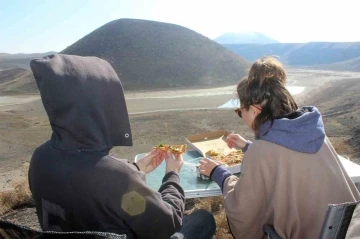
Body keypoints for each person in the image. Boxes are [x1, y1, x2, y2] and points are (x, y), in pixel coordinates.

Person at [28, 54, 215, 239]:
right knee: (203, 219)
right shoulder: (116, 178)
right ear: (99, 107)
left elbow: (86, 184)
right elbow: (168, 224)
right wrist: (172, 175)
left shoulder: (40, 158)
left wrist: (136, 168)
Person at [199, 56, 360, 239]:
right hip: (350, 230)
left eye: (240, 111)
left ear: (254, 110)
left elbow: (244, 210)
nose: (241, 116)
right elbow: (289, 158)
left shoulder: (263, 151)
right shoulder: (312, 132)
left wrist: (219, 173)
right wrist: (248, 146)